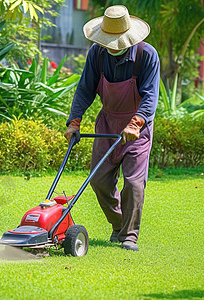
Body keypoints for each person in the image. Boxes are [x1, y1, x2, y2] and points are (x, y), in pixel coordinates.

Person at [64, 5, 160, 251]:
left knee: (134, 183)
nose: (112, 46)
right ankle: (119, 224)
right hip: (107, 123)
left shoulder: (146, 55)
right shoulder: (97, 54)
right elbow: (85, 89)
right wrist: (74, 122)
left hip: (136, 127)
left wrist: (136, 123)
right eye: (108, 41)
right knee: (98, 180)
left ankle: (129, 235)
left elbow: (150, 97)